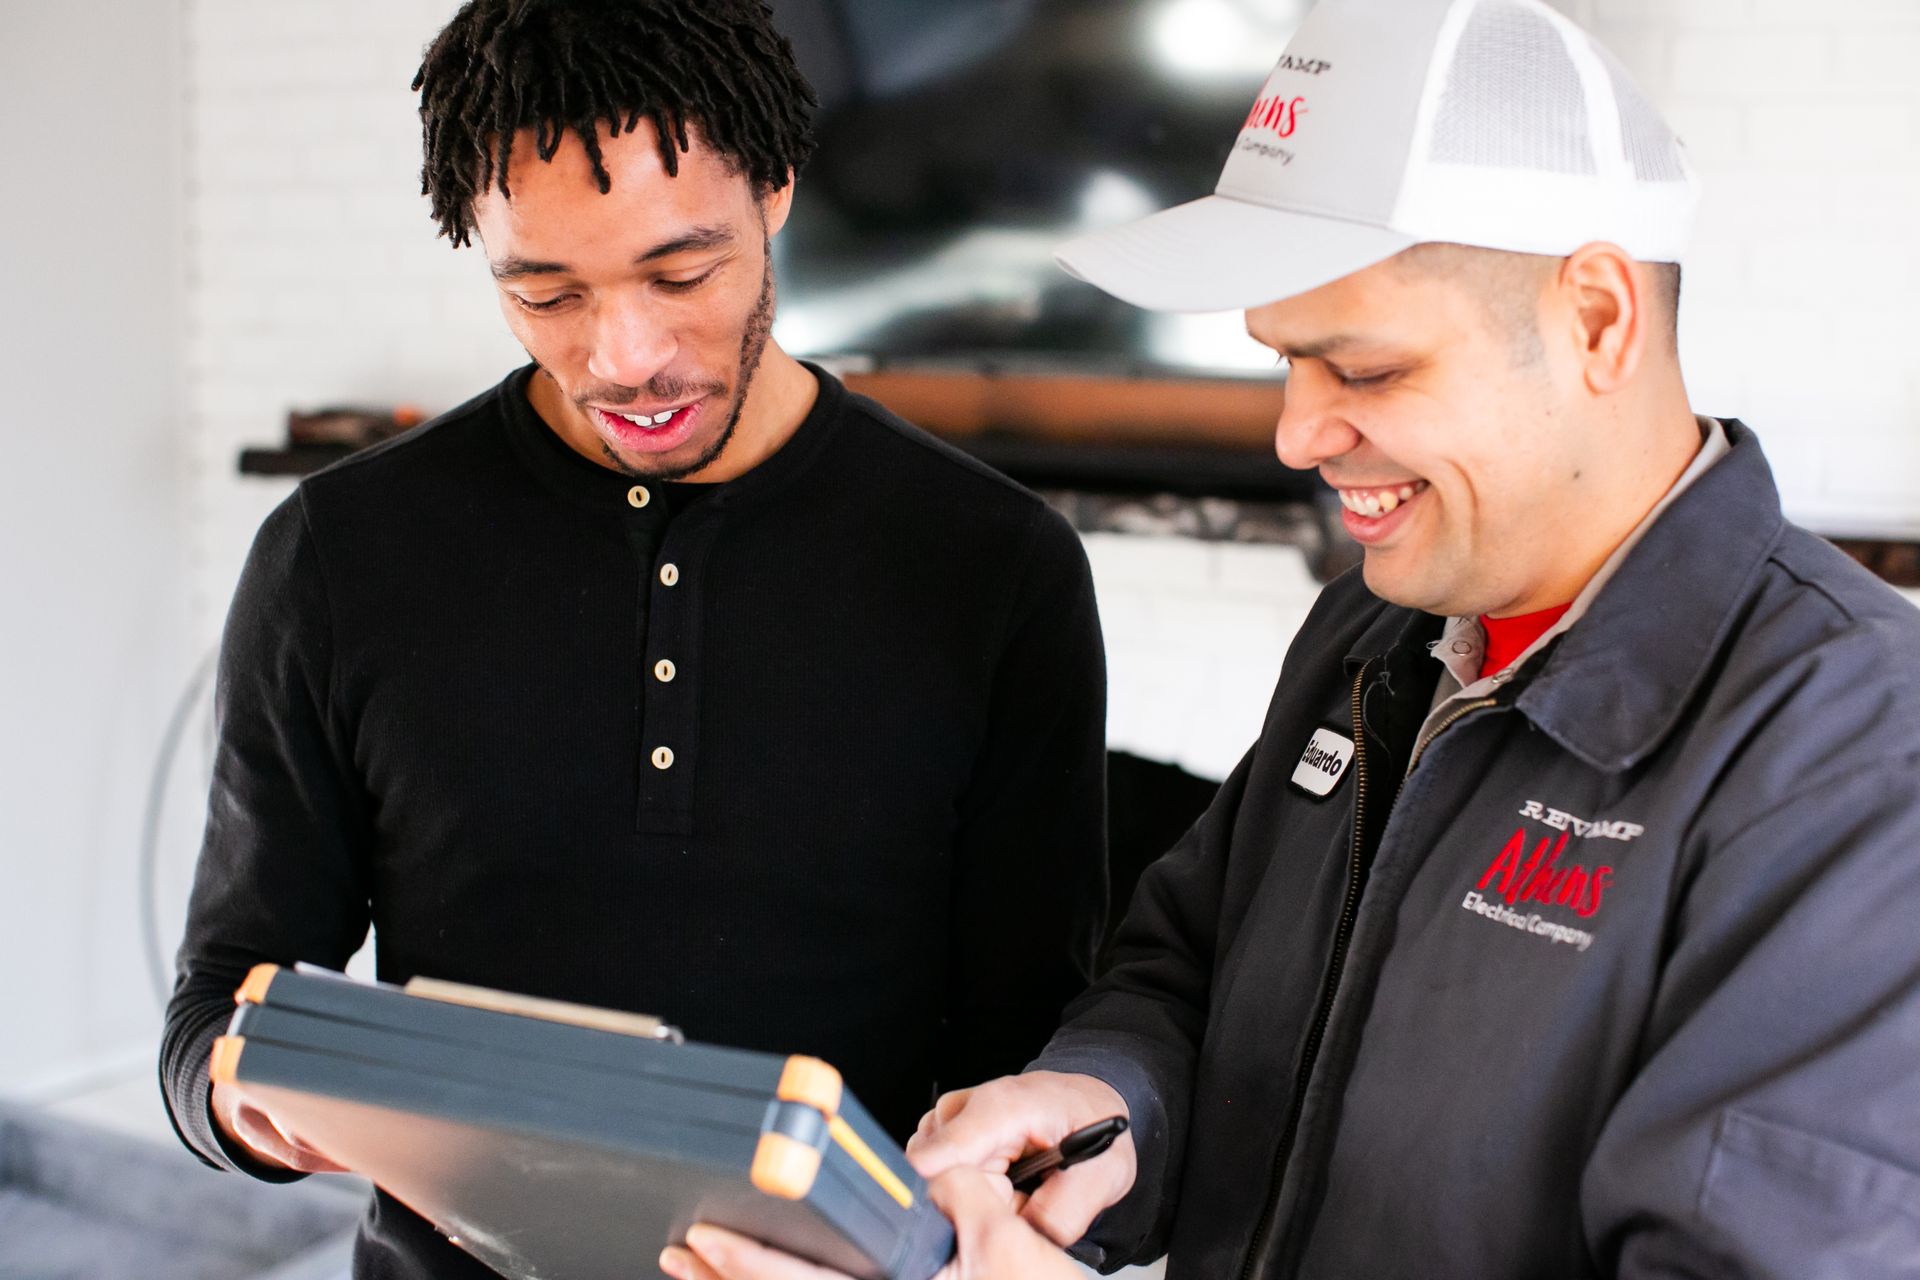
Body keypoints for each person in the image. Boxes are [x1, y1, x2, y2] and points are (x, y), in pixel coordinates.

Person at [671, 0, 1920, 1276]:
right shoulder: (1374, 633)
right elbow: (1186, 970)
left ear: (1597, 318)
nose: (1297, 434)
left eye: (1364, 370)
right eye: (1284, 362)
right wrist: (1103, 1103)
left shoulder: (1862, 762)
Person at [158, 2, 1107, 1276]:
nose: (626, 358)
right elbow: (217, 1005)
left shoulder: (995, 567)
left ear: (776, 188)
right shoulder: (336, 554)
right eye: (545, 292)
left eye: (681, 274)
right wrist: (248, 1103)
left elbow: (1037, 1063)